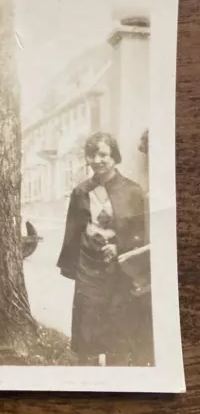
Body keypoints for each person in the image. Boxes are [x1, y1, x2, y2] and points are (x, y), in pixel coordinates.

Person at [57, 132, 153, 366]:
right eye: (92, 155)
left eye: (103, 154)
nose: (97, 160)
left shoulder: (132, 191)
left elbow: (142, 232)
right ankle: (87, 379)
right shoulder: (81, 192)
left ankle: (115, 379)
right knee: (88, 323)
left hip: (120, 268)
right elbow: (73, 231)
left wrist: (120, 247)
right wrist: (72, 266)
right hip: (88, 267)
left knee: (118, 326)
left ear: (115, 157)